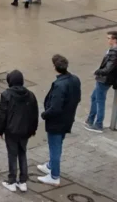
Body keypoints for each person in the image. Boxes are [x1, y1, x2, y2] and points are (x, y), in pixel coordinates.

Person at [38, 54, 82, 186]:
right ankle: (51, 166)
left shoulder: (60, 84)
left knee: (55, 147)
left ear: (54, 67)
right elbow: (77, 98)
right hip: (68, 119)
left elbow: (55, 107)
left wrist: (45, 114)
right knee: (58, 143)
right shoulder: (75, 79)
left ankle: (54, 176)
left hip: (57, 122)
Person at [0, 70, 39, 193]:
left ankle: (12, 181)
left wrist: (0, 130)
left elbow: (2, 115)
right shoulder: (30, 95)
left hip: (11, 131)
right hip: (25, 131)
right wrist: (33, 129)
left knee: (12, 155)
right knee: (22, 153)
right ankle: (23, 181)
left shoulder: (6, 95)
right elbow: (34, 114)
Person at [85, 31, 117, 133]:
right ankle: (90, 119)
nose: (107, 40)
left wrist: (97, 72)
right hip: (103, 79)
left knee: (99, 101)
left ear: (114, 40)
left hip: (104, 80)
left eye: (109, 38)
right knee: (94, 97)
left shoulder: (115, 53)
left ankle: (98, 124)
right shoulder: (113, 51)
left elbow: (108, 69)